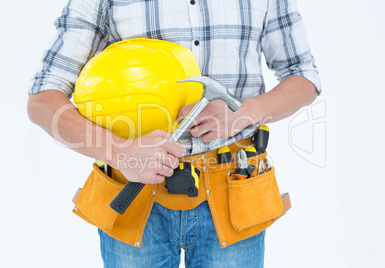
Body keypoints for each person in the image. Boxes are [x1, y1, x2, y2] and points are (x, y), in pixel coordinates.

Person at [27, 0, 321, 267]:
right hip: (135, 191)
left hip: (233, 187)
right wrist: (119, 151)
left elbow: (304, 75)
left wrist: (242, 113)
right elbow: (42, 100)